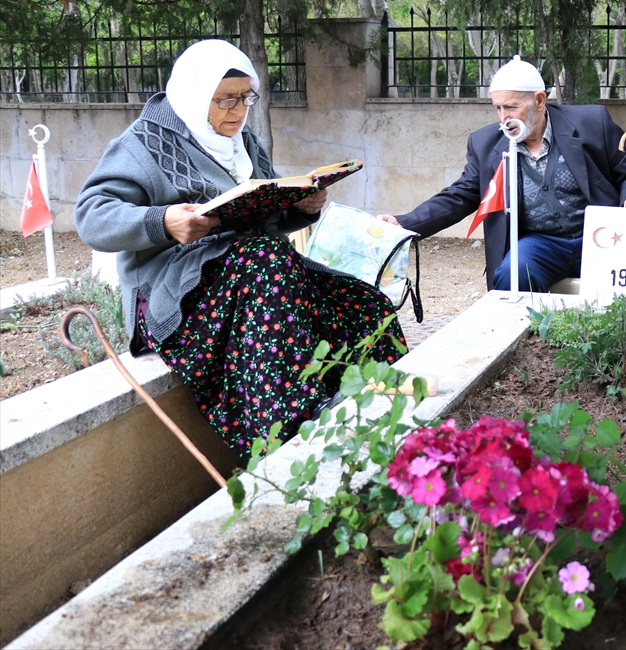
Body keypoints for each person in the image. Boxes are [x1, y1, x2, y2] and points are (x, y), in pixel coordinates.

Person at [75, 39, 405, 458]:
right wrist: (163, 222)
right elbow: (91, 215)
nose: (238, 110)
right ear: (194, 96)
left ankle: (374, 411)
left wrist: (300, 206)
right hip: (174, 295)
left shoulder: (243, 142)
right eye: (224, 100)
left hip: (247, 275)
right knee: (267, 259)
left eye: (245, 97)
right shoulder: (142, 144)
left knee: (356, 299)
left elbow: (260, 211)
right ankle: (289, 431)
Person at [382, 56, 626, 292]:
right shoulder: (485, 144)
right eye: (498, 108)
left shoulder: (591, 123)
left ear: (539, 100)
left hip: (601, 235)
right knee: (514, 274)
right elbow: (460, 196)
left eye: (511, 107)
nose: (504, 117)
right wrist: (404, 223)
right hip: (541, 243)